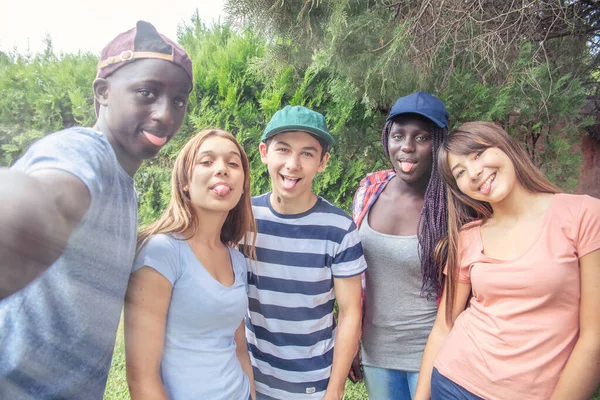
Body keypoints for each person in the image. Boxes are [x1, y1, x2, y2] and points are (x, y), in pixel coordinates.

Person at [0, 21, 193, 399]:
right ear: (103, 92)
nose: (165, 114)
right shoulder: (85, 152)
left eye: (179, 100)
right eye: (147, 92)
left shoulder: (126, 187)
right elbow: (43, 198)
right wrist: (24, 222)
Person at [414, 122, 600, 400]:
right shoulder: (468, 236)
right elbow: (444, 326)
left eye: (477, 154)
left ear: (505, 146)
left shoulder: (583, 214)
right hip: (453, 383)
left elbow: (594, 339)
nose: (474, 173)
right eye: (460, 172)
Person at [241, 105, 367, 400]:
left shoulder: (339, 229)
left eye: (307, 154)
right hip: (250, 380)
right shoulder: (242, 218)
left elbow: (350, 313)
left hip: (313, 384)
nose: (293, 164)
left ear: (323, 162)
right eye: (283, 150)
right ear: (264, 152)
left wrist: (335, 389)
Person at [125, 129, 257, 400]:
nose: (222, 169)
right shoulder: (162, 252)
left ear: (243, 184)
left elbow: (239, 348)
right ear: (185, 181)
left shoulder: (237, 260)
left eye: (233, 163)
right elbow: (142, 379)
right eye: (207, 162)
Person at [349, 91, 450, 400]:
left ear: (439, 143)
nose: (406, 147)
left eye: (421, 137)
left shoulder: (452, 204)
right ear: (387, 138)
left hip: (434, 354)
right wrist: (351, 341)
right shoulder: (370, 188)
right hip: (377, 352)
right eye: (398, 135)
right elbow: (354, 275)